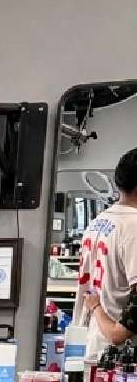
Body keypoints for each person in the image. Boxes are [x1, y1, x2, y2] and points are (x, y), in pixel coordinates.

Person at [76, 147, 137, 359]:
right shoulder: (133, 226)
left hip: (93, 346)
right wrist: (107, 323)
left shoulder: (96, 223)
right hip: (122, 358)